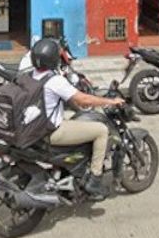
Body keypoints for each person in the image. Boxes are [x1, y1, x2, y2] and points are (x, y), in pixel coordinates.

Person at [29, 38, 124, 199]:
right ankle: (94, 180)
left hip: (35, 126)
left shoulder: (31, 75)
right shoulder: (54, 80)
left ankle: (74, 168)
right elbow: (83, 99)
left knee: (74, 118)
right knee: (101, 130)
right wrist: (110, 101)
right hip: (51, 131)